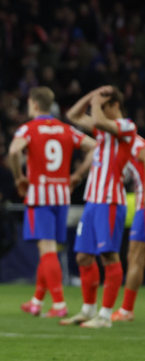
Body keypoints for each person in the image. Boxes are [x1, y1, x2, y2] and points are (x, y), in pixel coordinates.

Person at [7, 86, 95, 318]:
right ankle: (37, 300)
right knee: (48, 250)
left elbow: (14, 151)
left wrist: (19, 178)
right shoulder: (65, 129)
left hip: (39, 196)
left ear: (34, 104)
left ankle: (58, 304)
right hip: (61, 197)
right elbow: (95, 147)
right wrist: (78, 175)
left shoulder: (28, 128)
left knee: (46, 250)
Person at [62, 86, 137, 328]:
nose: (98, 111)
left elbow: (98, 120)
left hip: (110, 200)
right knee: (84, 256)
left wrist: (96, 104)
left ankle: (105, 316)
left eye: (103, 105)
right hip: (93, 201)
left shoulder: (127, 126)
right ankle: (87, 310)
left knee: (108, 255)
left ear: (114, 104)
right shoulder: (102, 130)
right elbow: (72, 116)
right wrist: (92, 95)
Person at [112, 136, 145, 322]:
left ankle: (126, 310)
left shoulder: (134, 144)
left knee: (136, 257)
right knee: (134, 257)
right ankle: (126, 309)